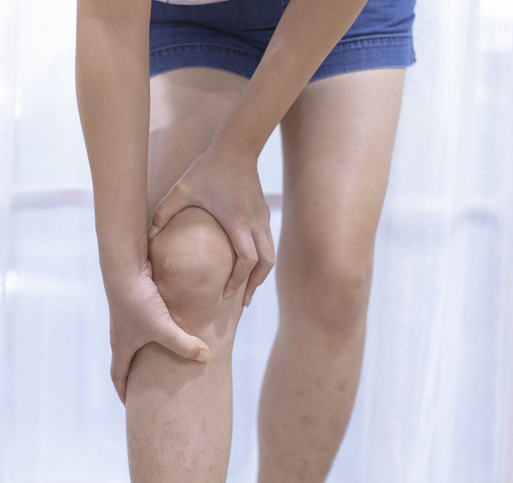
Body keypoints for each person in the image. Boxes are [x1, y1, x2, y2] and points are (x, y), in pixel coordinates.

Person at [75, 0, 416, 480]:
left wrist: (236, 151)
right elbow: (107, 20)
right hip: (193, 18)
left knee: (334, 276)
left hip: (345, 14)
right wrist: (122, 275)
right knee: (185, 269)